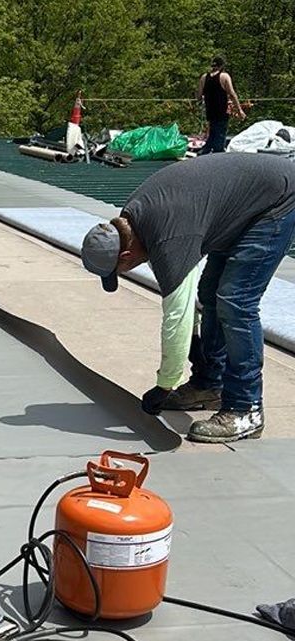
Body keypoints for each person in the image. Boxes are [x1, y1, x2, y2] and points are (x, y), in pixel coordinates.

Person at [81, 153, 295, 443]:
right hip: (238, 207)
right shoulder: (134, 221)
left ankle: (246, 408)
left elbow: (177, 318)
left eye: (120, 270)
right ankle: (209, 386)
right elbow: (184, 306)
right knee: (210, 294)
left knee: (235, 301)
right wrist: (195, 349)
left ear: (127, 255)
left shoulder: (167, 238)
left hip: (276, 199)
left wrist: (164, 385)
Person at [196, 56, 245, 154]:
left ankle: (205, 151)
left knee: (213, 133)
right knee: (220, 135)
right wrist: (239, 110)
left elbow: (198, 95)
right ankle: (217, 154)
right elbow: (232, 94)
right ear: (222, 66)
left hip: (210, 110)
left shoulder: (204, 77)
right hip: (221, 110)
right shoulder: (224, 76)